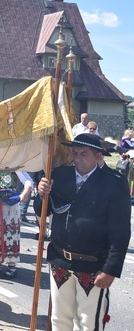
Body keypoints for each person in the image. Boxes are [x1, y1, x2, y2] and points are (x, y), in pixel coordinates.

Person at [37, 133, 131, 330]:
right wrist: (41, 194)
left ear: (99, 156)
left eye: (84, 154)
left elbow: (121, 231)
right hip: (60, 261)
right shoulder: (59, 175)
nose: (77, 158)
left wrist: (110, 269)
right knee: (59, 319)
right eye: (75, 153)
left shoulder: (114, 183)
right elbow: (42, 211)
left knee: (89, 323)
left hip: (93, 266)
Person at [0, 170, 33, 279]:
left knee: (9, 232)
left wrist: (24, 194)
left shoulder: (13, 164)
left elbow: (28, 180)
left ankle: (11, 266)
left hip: (10, 202)